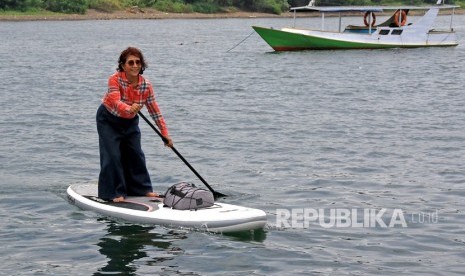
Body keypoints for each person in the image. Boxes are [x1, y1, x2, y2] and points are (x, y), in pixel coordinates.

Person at [96, 46, 173, 202]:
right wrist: (129, 107)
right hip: (108, 120)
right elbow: (115, 101)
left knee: (136, 154)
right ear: (123, 66)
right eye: (130, 63)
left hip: (130, 122)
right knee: (113, 156)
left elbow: (154, 111)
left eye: (138, 62)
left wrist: (165, 134)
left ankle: (141, 189)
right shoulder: (114, 79)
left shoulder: (146, 85)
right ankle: (113, 193)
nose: (135, 65)